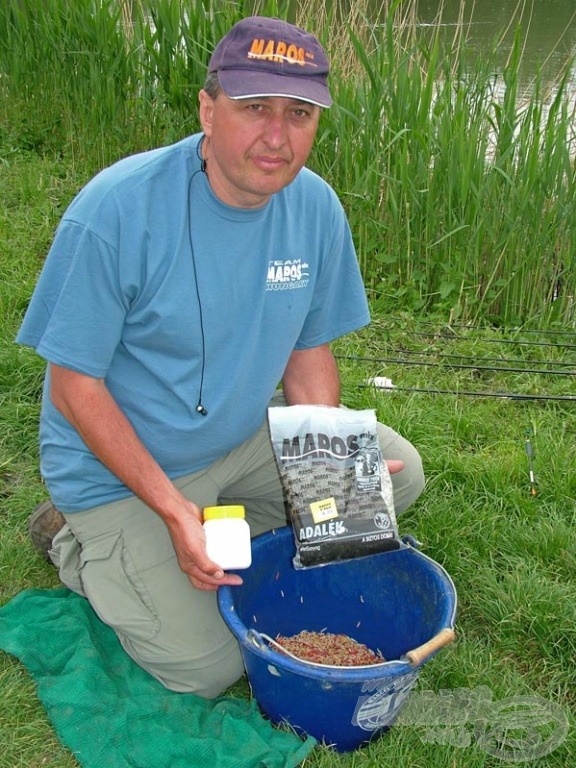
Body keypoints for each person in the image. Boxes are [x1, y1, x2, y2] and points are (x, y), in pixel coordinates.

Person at [18, 16, 425, 698]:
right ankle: (76, 542)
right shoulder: (116, 210)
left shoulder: (316, 208)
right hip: (121, 468)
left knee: (396, 478)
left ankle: (218, 522)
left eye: (299, 113)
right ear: (208, 111)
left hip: (238, 433)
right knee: (206, 669)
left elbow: (307, 354)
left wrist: (325, 461)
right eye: (253, 109)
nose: (277, 135)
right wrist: (175, 512)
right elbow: (74, 387)